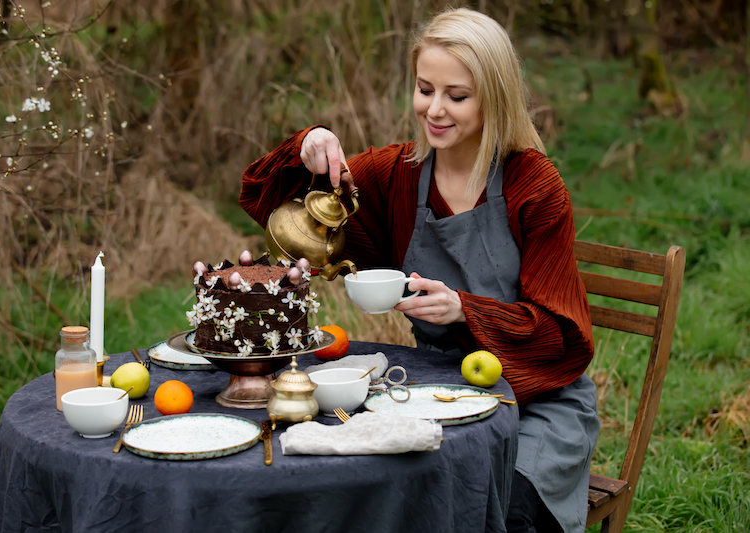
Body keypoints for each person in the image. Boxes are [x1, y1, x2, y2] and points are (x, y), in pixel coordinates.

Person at [239, 7, 599, 533]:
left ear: (494, 98)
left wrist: (464, 310)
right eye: (424, 88)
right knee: (385, 499)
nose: (435, 110)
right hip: (432, 388)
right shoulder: (396, 175)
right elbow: (265, 199)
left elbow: (563, 338)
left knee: (504, 510)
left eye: (457, 96)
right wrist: (309, 146)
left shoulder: (533, 185)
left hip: (538, 400)